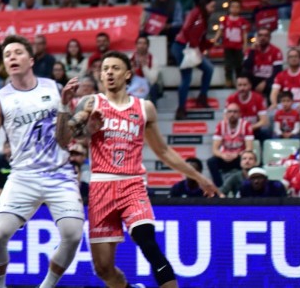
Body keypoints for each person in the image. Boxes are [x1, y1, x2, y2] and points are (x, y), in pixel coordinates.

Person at [67, 51, 218, 288]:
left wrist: (199, 177)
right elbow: (68, 135)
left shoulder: (144, 107)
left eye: (115, 68)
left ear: (128, 75)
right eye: (105, 68)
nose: (108, 72)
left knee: (147, 242)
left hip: (132, 184)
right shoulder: (92, 102)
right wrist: (87, 128)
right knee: (103, 268)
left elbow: (164, 152)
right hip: (101, 186)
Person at [0, 36, 84, 288]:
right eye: (7, 55)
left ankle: (47, 286)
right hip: (23, 176)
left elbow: (65, 139)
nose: (12, 57)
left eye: (17, 52)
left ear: (31, 60)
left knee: (73, 235)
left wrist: (66, 103)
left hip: (59, 174)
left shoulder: (54, 88)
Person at [171, 0, 216, 120]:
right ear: (205, 5)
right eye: (211, 6)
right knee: (186, 77)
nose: (213, 10)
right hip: (182, 47)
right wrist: (194, 46)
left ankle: (202, 97)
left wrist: (210, 43)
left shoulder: (204, 18)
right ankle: (181, 109)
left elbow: (200, 38)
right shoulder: (196, 12)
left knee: (209, 69)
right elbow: (186, 29)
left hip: (190, 48)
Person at [207, 103, 254, 187]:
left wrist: (237, 155)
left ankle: (244, 186)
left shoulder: (246, 125)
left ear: (240, 114)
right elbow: (214, 149)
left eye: (235, 112)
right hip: (225, 156)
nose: (232, 114)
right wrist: (222, 155)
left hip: (239, 156)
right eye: (230, 112)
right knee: (211, 161)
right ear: (226, 114)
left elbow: (249, 148)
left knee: (247, 160)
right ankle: (219, 187)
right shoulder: (221, 125)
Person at [226, 75, 271, 141]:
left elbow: (264, 121)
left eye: (244, 85)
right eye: (240, 85)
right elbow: (226, 119)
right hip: (237, 130)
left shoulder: (258, 98)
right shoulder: (231, 99)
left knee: (265, 132)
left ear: (250, 85)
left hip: (254, 130)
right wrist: (239, 129)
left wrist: (249, 127)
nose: (242, 88)